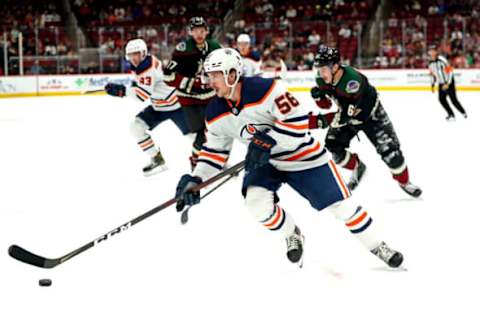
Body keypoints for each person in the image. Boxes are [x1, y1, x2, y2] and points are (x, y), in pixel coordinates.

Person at [175, 48, 404, 268]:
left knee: (342, 208)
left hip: (303, 156)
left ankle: (378, 246)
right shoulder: (214, 113)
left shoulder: (267, 89)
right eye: (209, 75)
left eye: (215, 75)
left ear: (232, 75)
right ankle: (292, 234)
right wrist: (197, 180)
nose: (209, 81)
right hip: (265, 162)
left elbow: (298, 123)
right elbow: (214, 153)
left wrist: (268, 141)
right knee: (256, 204)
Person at [308, 46, 422, 197]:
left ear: (335, 67)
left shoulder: (352, 81)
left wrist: (317, 122)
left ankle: (404, 182)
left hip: (372, 116)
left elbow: (344, 116)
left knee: (391, 154)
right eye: (318, 69)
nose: (320, 74)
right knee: (333, 146)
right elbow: (329, 105)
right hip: (349, 114)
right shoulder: (322, 78)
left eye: (323, 69)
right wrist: (320, 98)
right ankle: (357, 167)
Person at [105, 39, 190, 176]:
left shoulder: (147, 68)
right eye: (131, 54)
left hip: (176, 106)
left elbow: (141, 96)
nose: (134, 58)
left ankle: (216, 160)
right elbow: (143, 85)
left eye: (137, 54)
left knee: (193, 136)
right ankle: (156, 159)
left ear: (143, 53)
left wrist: (122, 91)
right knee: (136, 127)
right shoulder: (145, 63)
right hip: (159, 106)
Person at [163, 17, 222, 170]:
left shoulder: (215, 47)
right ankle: (196, 161)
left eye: (202, 30)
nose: (199, 34)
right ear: (190, 32)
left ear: (207, 31)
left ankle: (211, 158)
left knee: (215, 129)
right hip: (189, 99)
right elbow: (167, 77)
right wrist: (193, 83)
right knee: (202, 132)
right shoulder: (183, 49)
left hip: (210, 97)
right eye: (196, 31)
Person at [427, 46, 467, 121]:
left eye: (432, 50)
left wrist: (447, 83)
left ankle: (463, 112)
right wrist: (432, 84)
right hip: (441, 83)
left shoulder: (442, 60)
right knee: (441, 99)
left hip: (449, 82)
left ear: (436, 52)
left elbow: (450, 71)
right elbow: (432, 74)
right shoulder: (430, 63)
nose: (431, 52)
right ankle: (451, 114)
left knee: (453, 100)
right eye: (430, 51)